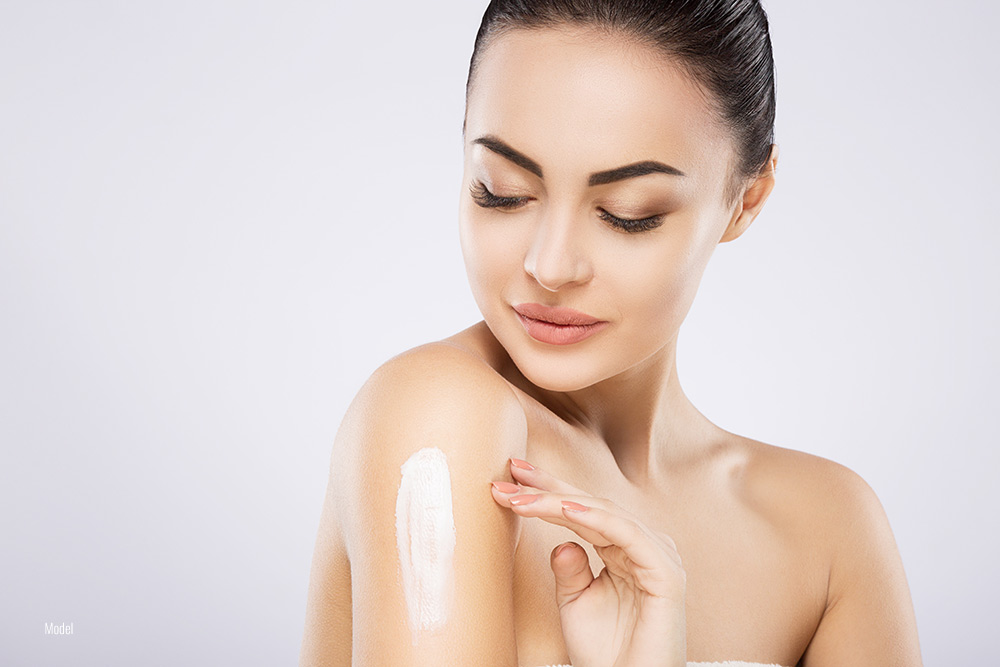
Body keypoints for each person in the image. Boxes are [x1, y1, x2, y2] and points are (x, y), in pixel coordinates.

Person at [299, 1, 923, 665]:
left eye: (627, 215)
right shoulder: (439, 416)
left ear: (746, 198)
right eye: (501, 190)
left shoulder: (830, 529)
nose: (549, 265)